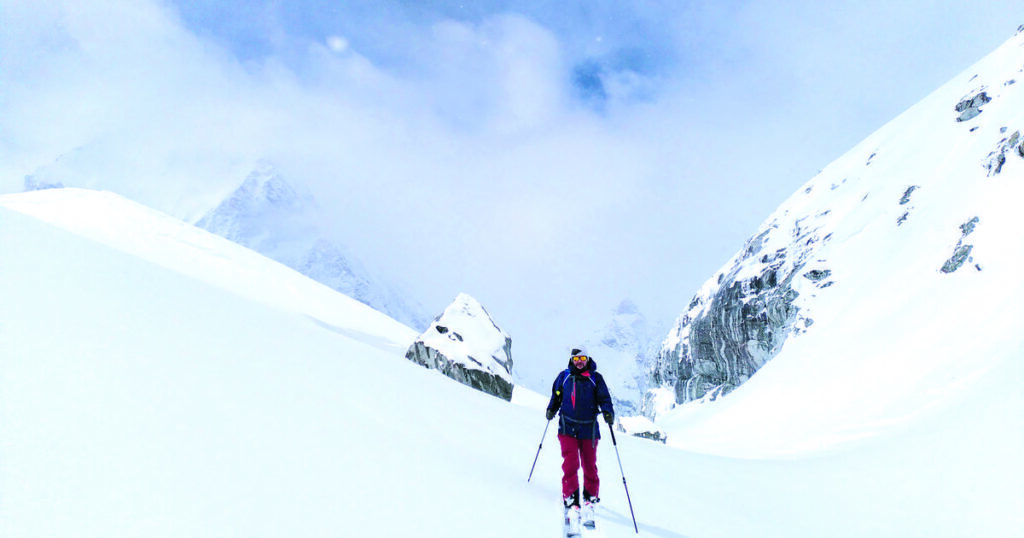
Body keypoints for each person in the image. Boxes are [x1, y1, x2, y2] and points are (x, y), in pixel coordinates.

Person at [545, 345, 614, 527]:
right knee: (571, 463)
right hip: (567, 427)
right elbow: (556, 395)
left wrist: (608, 412)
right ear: (572, 361)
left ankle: (590, 496)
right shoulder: (564, 376)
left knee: (589, 464)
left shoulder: (595, 378)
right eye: (577, 360)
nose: (580, 363)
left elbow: (605, 399)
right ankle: (571, 495)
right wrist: (551, 408)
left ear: (588, 360)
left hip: (588, 429)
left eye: (583, 359)